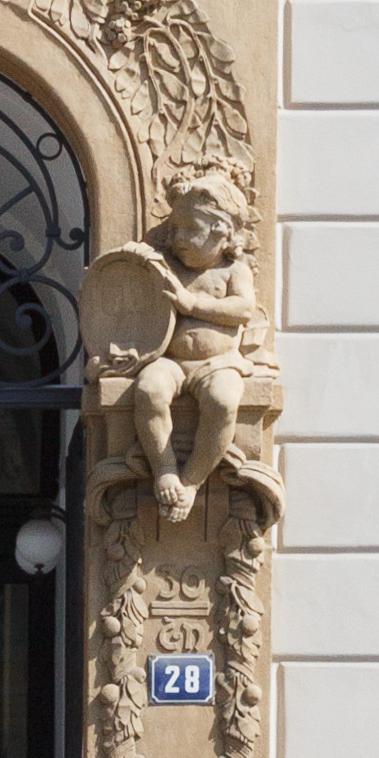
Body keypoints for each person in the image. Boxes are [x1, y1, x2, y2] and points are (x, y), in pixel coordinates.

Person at [125, 163, 257, 523]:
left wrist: (192, 303)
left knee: (223, 401)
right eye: (175, 229)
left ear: (221, 232)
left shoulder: (233, 271)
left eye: (190, 229)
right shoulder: (169, 264)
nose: (179, 238)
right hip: (170, 360)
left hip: (219, 364)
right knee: (149, 390)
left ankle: (192, 480)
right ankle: (165, 467)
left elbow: (244, 308)